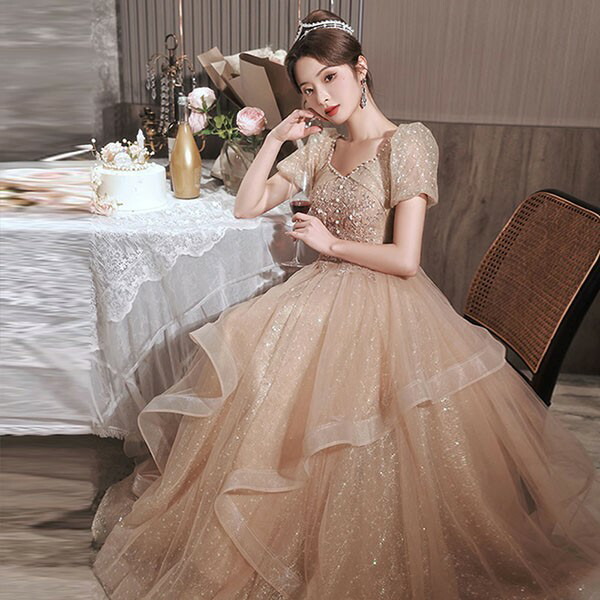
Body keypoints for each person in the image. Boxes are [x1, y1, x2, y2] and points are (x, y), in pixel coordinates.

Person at [92, 9, 600, 599]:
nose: (322, 97)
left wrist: (330, 244)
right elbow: (246, 206)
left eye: (330, 78)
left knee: (343, 418)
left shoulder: (406, 143)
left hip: (387, 301)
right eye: (308, 88)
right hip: (319, 292)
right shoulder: (320, 149)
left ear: (361, 69)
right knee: (260, 375)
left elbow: (405, 258)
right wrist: (277, 138)